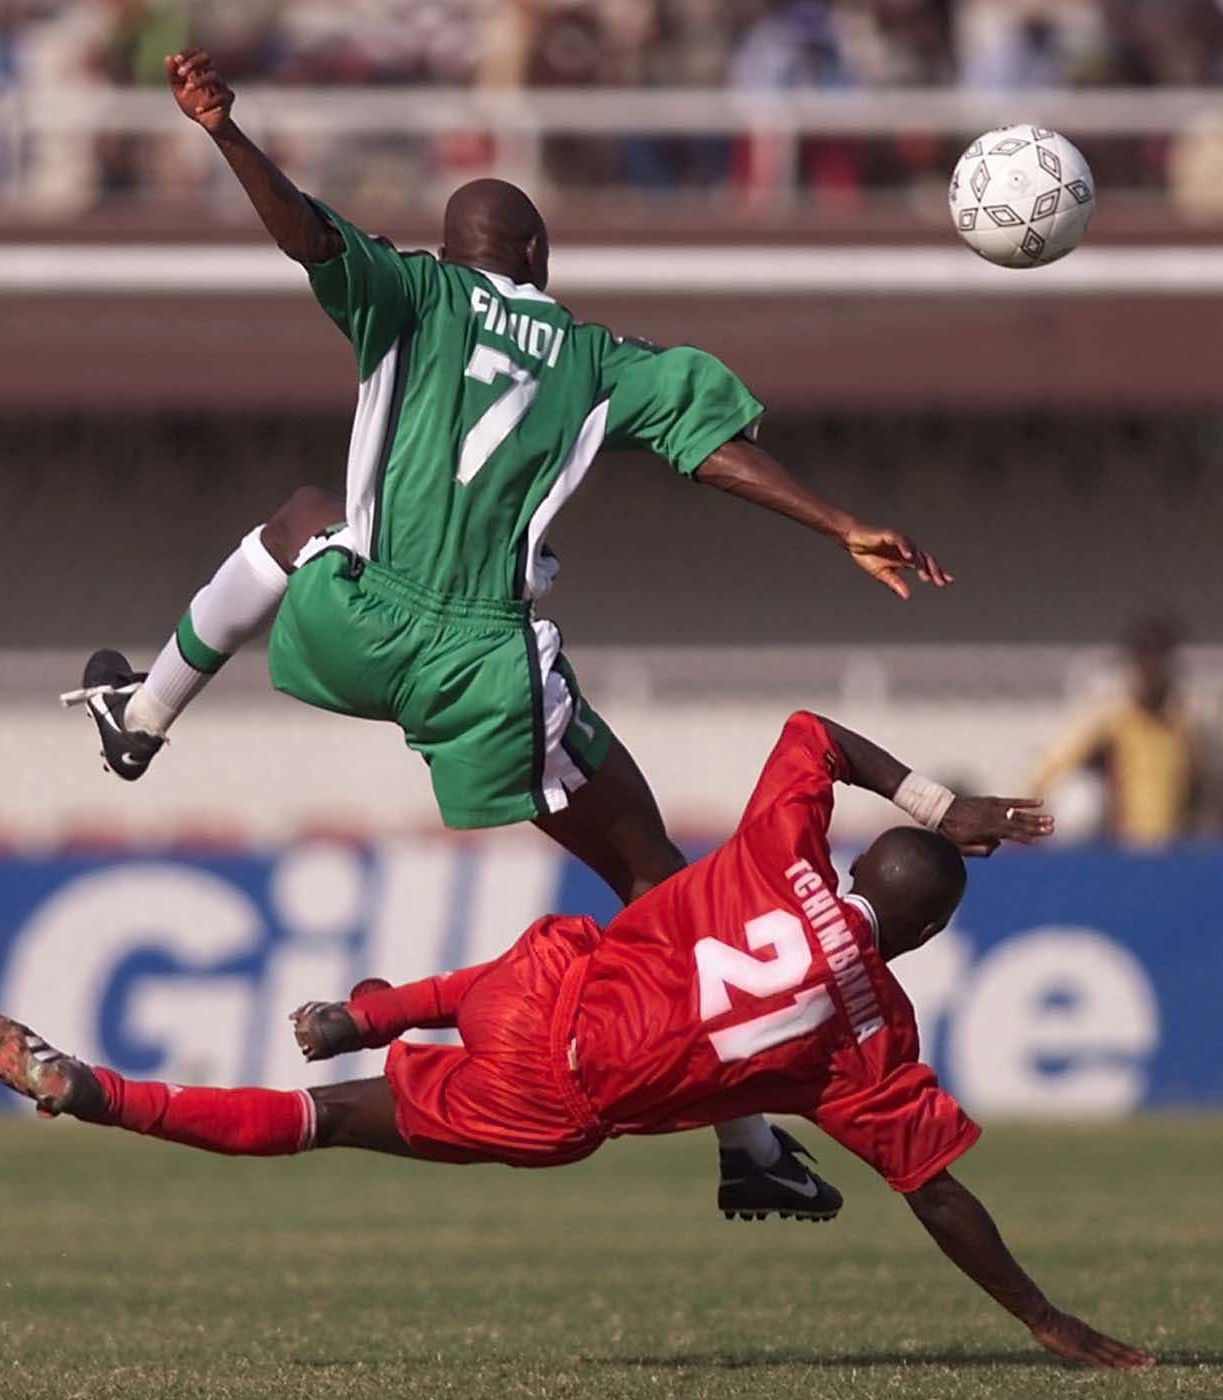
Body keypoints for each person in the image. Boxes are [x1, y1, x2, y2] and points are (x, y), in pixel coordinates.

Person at [60, 46, 951, 1214]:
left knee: (299, 521)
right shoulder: (591, 358)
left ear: (449, 251)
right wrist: (838, 522)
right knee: (653, 880)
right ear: (539, 257)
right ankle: (748, 1151)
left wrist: (228, 135)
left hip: (357, 625)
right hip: (482, 668)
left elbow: (306, 234)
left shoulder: (410, 290)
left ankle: (143, 716)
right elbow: (708, 448)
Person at [0, 712, 1150, 1370]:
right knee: (324, 1122)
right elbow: (936, 1194)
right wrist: (1046, 1319)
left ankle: (375, 1011)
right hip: (552, 1106)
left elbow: (811, 733)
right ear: (930, 930)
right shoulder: (865, 1043)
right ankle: (113, 1095)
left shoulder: (775, 859)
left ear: (852, 867)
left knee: (570, 954)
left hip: (537, 995)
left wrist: (938, 804)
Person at [1029, 617, 1199, 846]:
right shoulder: (1111, 721)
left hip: (1169, 849)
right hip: (1120, 851)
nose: (1153, 669)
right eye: (1145, 659)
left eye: (1160, 659)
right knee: (1080, 798)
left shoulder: (1181, 727)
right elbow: (1049, 770)